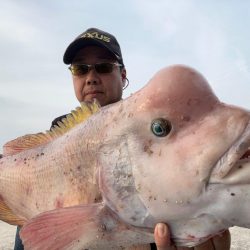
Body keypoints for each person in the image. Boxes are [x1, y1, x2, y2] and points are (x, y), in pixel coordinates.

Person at [13, 28, 230, 250]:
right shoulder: (56, 133)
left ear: (123, 75)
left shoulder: (144, 125)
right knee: (28, 217)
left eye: (104, 67)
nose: (91, 78)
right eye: (80, 69)